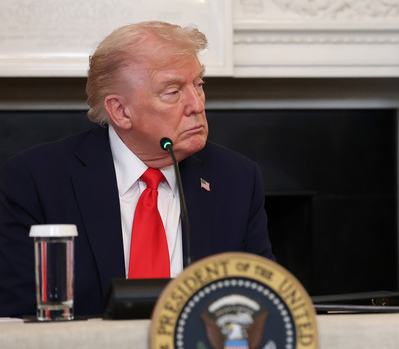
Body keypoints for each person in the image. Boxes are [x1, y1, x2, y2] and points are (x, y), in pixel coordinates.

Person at [0, 21, 274, 317]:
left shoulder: (236, 178)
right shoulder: (34, 181)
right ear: (121, 111)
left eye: (198, 85)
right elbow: (17, 318)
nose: (197, 105)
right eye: (173, 92)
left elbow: (262, 302)